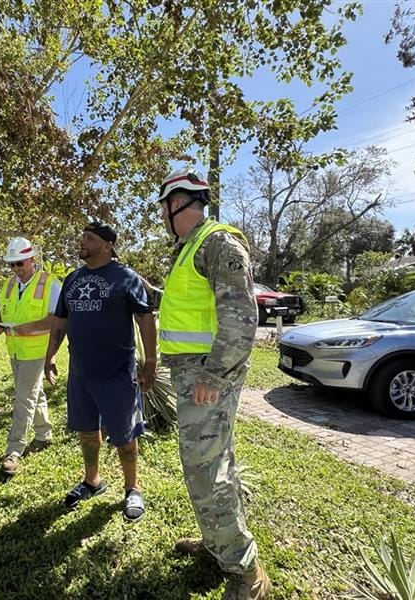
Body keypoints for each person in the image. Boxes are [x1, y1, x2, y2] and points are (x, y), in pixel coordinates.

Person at [149, 168, 271, 599]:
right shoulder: (188, 249)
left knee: (205, 471)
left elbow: (242, 317)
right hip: (194, 372)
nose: (163, 213)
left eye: (164, 205)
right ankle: (220, 543)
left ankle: (245, 571)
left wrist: (213, 374)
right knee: (218, 462)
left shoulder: (217, 242)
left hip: (207, 375)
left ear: (177, 203)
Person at [44, 221, 157, 522]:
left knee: (123, 434)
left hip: (117, 373)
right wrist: (50, 355)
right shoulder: (72, 279)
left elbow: (145, 319)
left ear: (107, 245)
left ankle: (132, 487)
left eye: (89, 238)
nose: (81, 242)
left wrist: (150, 363)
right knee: (87, 430)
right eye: (81, 237)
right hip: (80, 372)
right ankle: (92, 480)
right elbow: (60, 321)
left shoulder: (125, 277)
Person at [0, 237, 62, 476]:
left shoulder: (50, 283)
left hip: (37, 352)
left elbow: (60, 319)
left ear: (32, 260)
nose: (16, 269)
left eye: (20, 263)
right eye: (12, 265)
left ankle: (14, 450)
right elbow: (4, 312)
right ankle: (44, 434)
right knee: (35, 393)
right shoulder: (8, 285)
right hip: (15, 350)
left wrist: (30, 328)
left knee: (24, 398)